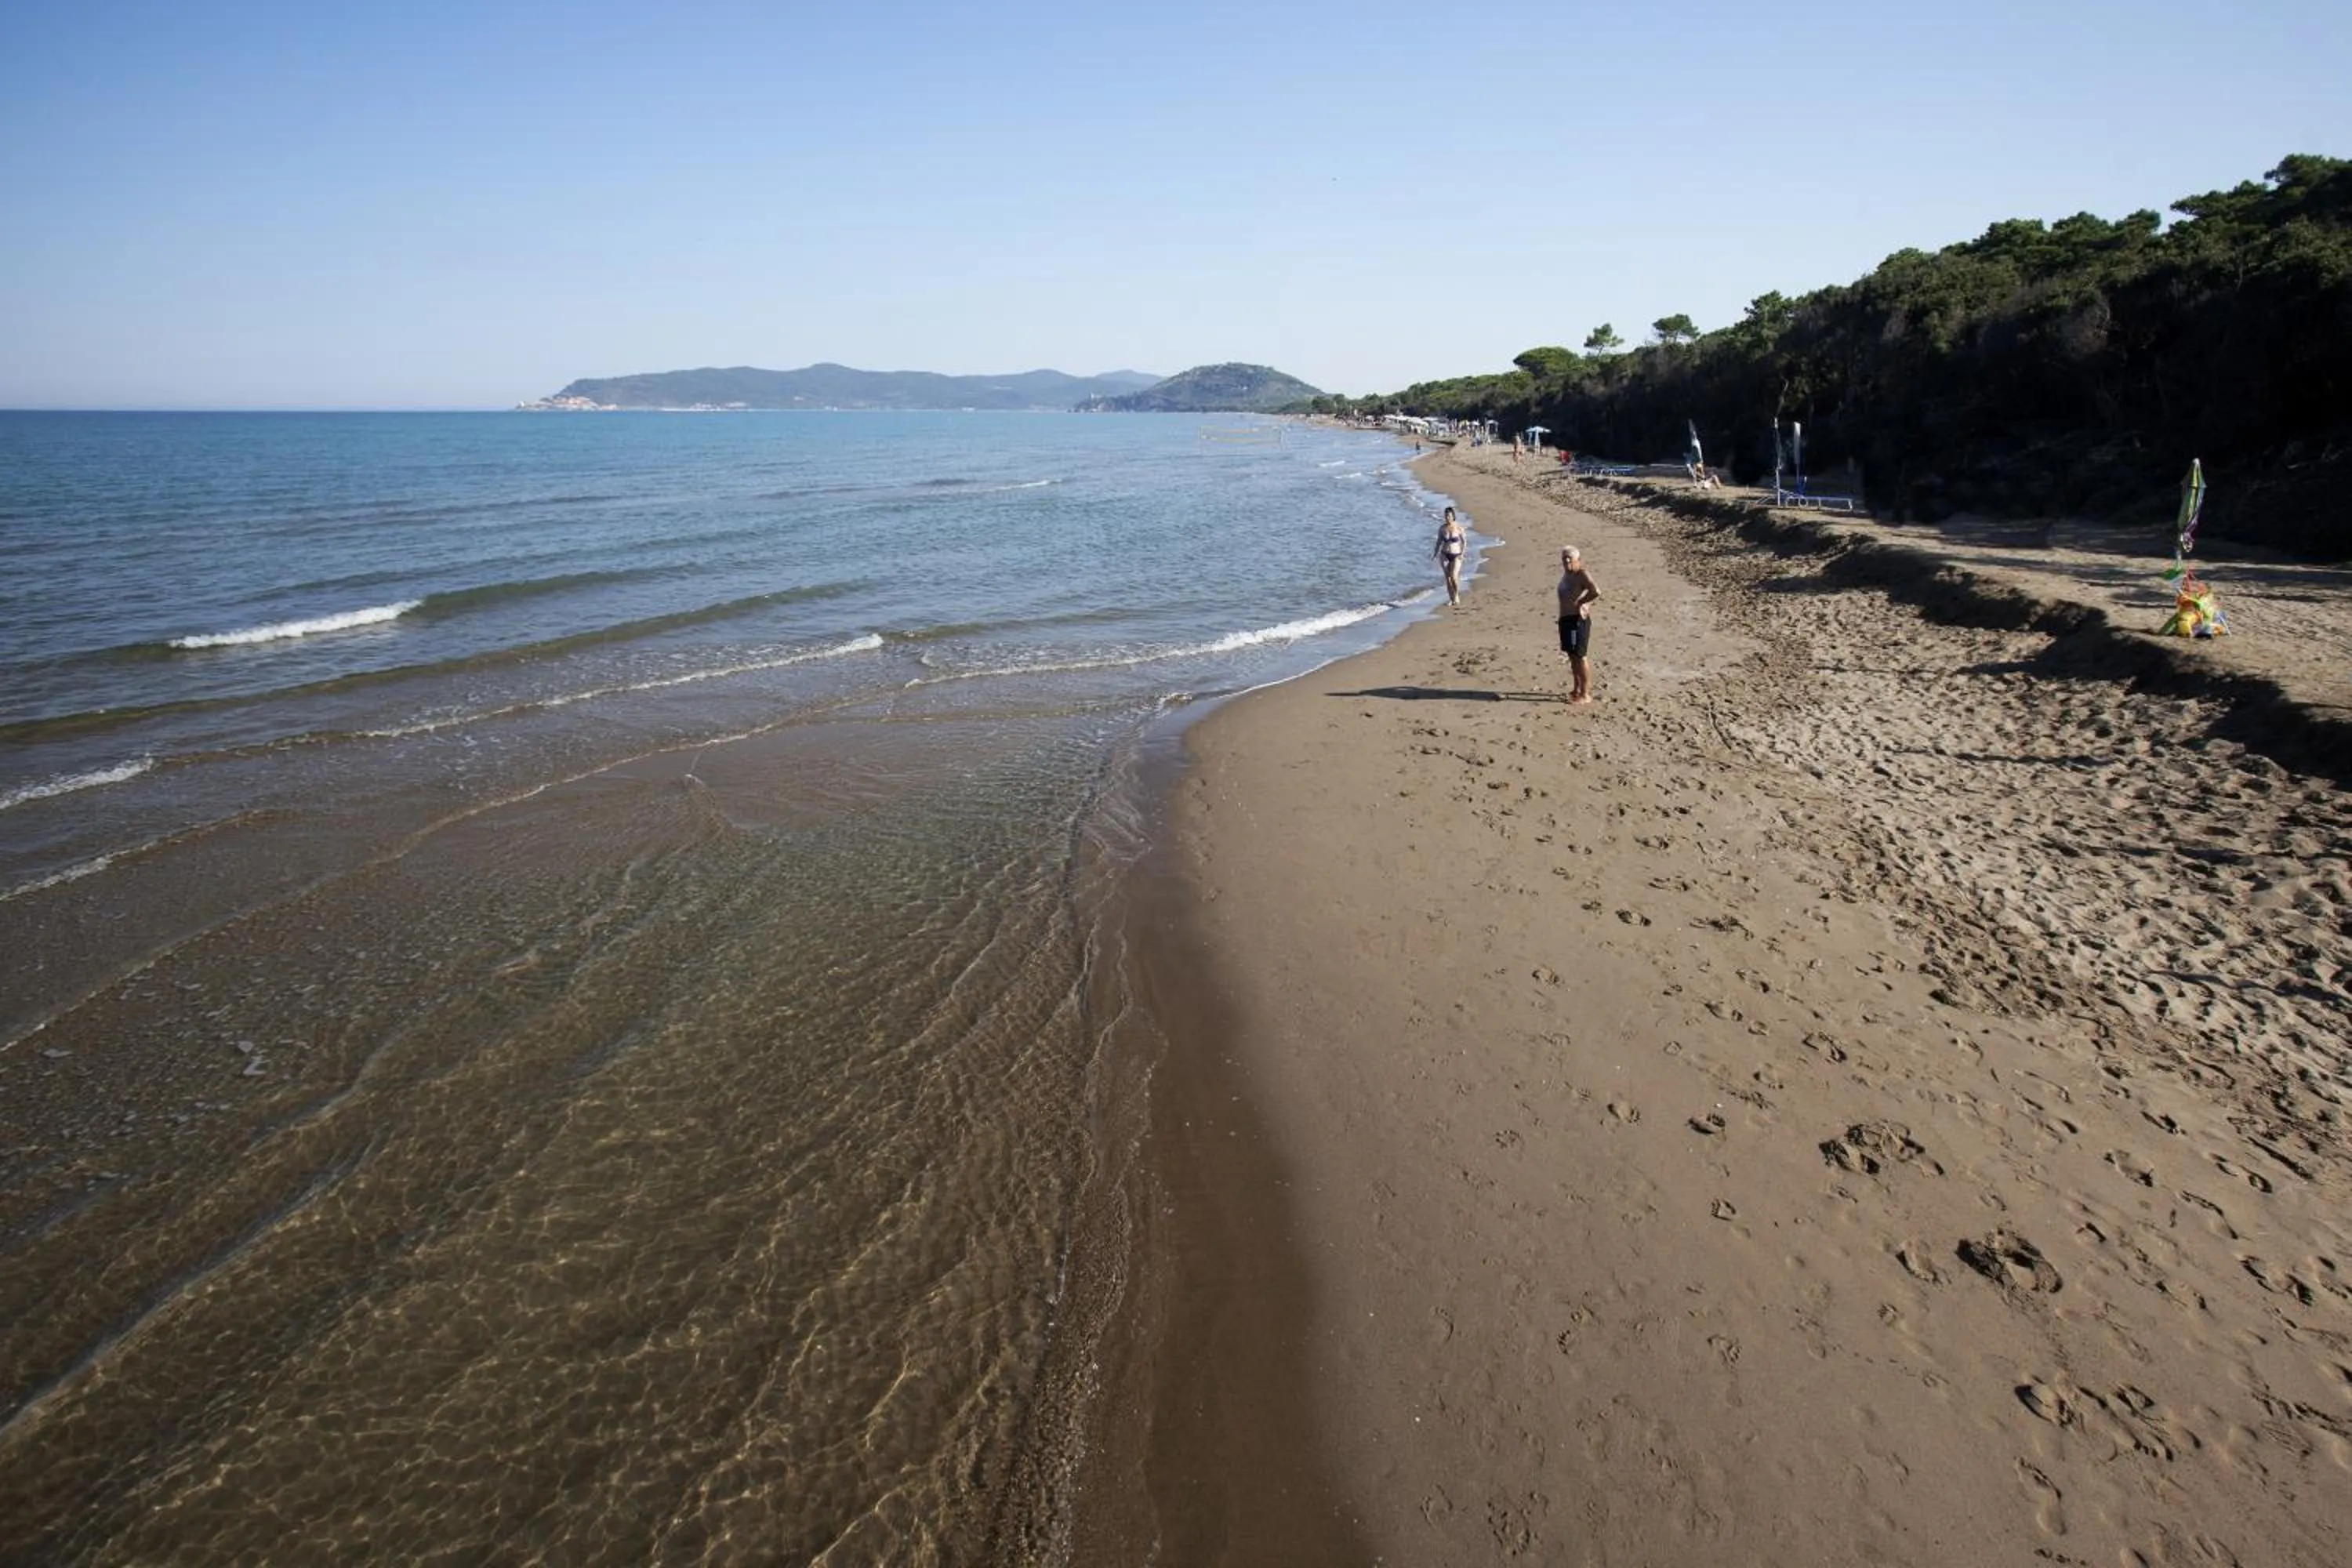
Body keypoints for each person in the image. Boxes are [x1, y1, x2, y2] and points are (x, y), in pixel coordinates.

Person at [1556, 545, 1599, 703]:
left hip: (1577, 621)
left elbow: (1595, 591)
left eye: (1570, 558)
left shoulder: (1581, 573)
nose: (1567, 560)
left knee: (1580, 656)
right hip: (1566, 620)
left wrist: (1582, 601)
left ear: (1577, 560)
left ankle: (1585, 694)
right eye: (1564, 558)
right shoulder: (1567, 575)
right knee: (1572, 656)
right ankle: (1577, 689)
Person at [1434, 506, 1468, 606]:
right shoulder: (1442, 528)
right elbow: (1439, 542)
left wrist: (1462, 553)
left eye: (1449, 516)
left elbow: (1464, 541)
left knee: (1453, 577)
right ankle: (1451, 598)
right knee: (1447, 578)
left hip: (1456, 555)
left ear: (1453, 516)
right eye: (1446, 516)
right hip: (1444, 554)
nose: (1447, 518)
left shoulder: (1458, 528)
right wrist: (1435, 553)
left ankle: (1456, 595)